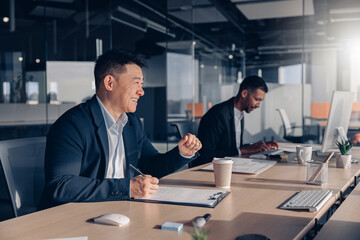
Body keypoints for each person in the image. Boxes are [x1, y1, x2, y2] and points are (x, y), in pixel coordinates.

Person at [40, 49, 202, 209]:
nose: (141, 91)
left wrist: (181, 153)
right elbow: (60, 185)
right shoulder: (72, 124)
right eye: (136, 83)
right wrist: (127, 188)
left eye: (142, 84)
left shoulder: (132, 123)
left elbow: (151, 166)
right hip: (76, 215)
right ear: (109, 83)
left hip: (121, 209)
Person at [190, 75, 277, 167]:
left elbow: (230, 147)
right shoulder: (218, 114)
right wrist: (242, 150)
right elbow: (204, 156)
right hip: (214, 171)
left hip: (230, 166)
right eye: (257, 99)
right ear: (244, 93)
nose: (258, 105)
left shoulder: (239, 114)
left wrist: (257, 147)